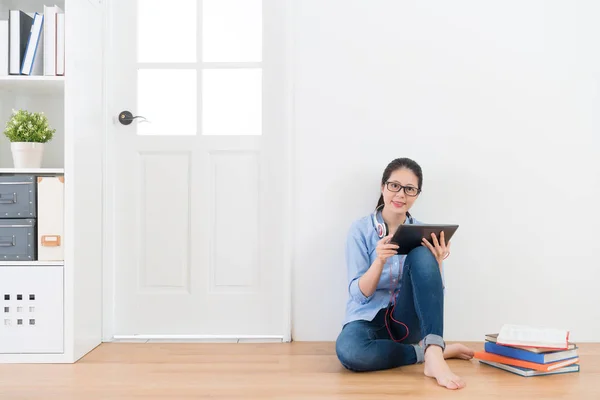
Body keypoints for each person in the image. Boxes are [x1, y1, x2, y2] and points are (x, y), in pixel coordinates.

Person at [335, 157, 474, 390]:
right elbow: (359, 295)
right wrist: (379, 260)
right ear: (383, 187)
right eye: (394, 186)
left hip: (405, 320)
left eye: (409, 189)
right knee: (350, 352)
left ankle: (434, 353)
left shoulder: (423, 232)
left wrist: (436, 261)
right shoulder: (361, 230)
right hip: (369, 319)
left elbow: (432, 295)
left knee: (422, 253)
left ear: (417, 194)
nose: (400, 194)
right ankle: (429, 353)